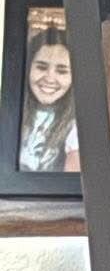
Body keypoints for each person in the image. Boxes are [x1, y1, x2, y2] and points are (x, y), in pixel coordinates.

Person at [18, 24, 78, 174]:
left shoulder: (77, 127)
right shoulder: (11, 111)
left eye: (62, 71)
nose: (50, 78)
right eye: (41, 67)